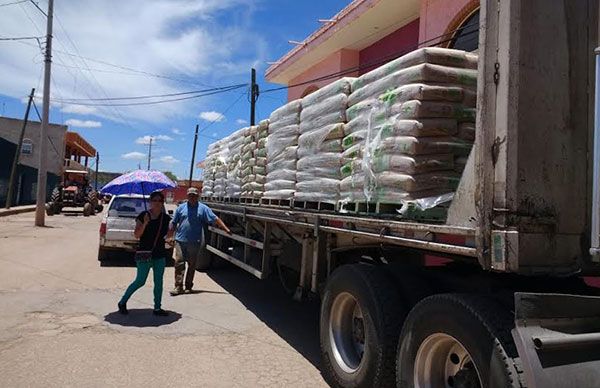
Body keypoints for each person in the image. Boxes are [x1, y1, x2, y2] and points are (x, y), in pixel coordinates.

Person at [118, 191, 172, 316]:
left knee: (159, 282)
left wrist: (171, 234)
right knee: (140, 281)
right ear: (150, 202)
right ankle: (122, 302)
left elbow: (169, 235)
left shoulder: (166, 218)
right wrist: (146, 223)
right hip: (144, 253)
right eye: (155, 200)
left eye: (160, 200)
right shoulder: (143, 216)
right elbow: (137, 235)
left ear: (163, 202)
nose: (157, 203)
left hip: (159, 254)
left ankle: (157, 308)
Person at [168, 187, 231, 295]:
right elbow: (173, 223)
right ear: (187, 196)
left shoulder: (203, 208)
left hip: (194, 241)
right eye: (190, 195)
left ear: (198, 196)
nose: (192, 197)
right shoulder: (181, 208)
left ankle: (188, 286)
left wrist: (225, 228)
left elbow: (215, 218)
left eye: (194, 195)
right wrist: (169, 236)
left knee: (192, 265)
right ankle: (178, 287)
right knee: (179, 263)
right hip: (180, 240)